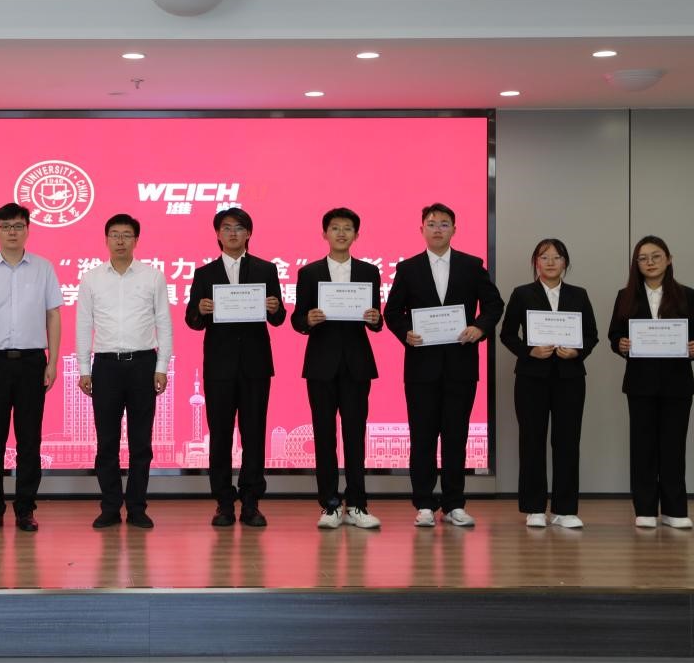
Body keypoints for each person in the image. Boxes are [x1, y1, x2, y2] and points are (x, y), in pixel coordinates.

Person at [383, 203, 503, 528]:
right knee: (422, 437)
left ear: (454, 229)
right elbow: (392, 312)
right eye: (432, 223)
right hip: (421, 368)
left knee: (455, 437)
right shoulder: (408, 268)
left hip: (460, 365)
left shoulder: (471, 265)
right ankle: (423, 503)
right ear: (421, 228)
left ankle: (453, 504)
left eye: (444, 224)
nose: (438, 229)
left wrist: (479, 328)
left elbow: (494, 304)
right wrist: (405, 333)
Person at [185, 207, 285, 527]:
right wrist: (200, 309)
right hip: (219, 367)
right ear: (217, 234)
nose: (232, 233)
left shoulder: (266, 269)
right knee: (220, 437)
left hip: (256, 366)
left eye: (239, 228)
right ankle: (224, 503)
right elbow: (192, 320)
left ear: (248, 234)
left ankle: (252, 502)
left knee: (254, 434)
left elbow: (279, 318)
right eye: (226, 228)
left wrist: (274, 307)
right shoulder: (205, 274)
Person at [0, 203, 62, 533]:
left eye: (18, 226)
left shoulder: (44, 268)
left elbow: (53, 315)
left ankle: (25, 509)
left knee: (29, 441)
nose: (12, 232)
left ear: (27, 230)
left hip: (33, 362)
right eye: (6, 226)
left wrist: (53, 361)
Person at [76, 214, 173, 529]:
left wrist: (162, 367)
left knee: (141, 442)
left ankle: (137, 507)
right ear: (106, 239)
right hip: (105, 366)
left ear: (136, 240)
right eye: (115, 235)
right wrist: (84, 368)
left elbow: (164, 323)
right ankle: (109, 507)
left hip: (143, 364)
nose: (120, 240)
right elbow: (84, 325)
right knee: (107, 442)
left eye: (127, 235)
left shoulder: (153, 277)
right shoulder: (91, 279)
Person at [290, 208, 383, 530]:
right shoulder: (309, 273)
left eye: (347, 228)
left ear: (356, 235)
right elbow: (297, 318)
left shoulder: (369, 271)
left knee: (355, 435)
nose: (341, 233)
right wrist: (308, 319)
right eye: (335, 228)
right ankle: (329, 504)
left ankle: (357, 503)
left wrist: (376, 319)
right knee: (324, 436)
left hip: (357, 364)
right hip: (321, 365)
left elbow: (376, 318)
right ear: (324, 234)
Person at [607, 235, 694, 530]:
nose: (649, 262)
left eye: (656, 256)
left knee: (674, 447)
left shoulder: (687, 294)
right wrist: (621, 344)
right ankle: (645, 509)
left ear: (669, 259)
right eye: (643, 258)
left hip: (678, 383)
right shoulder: (625, 296)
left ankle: (675, 510)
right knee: (643, 447)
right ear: (636, 264)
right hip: (640, 383)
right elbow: (614, 334)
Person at [499, 238, 599, 529]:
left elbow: (591, 334)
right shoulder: (522, 294)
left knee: (567, 441)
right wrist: (529, 351)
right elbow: (507, 334)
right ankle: (534, 508)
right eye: (544, 257)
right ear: (536, 263)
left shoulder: (579, 294)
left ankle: (565, 509)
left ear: (565, 262)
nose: (551, 262)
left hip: (570, 378)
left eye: (557, 257)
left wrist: (577, 352)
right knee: (532, 440)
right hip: (532, 378)